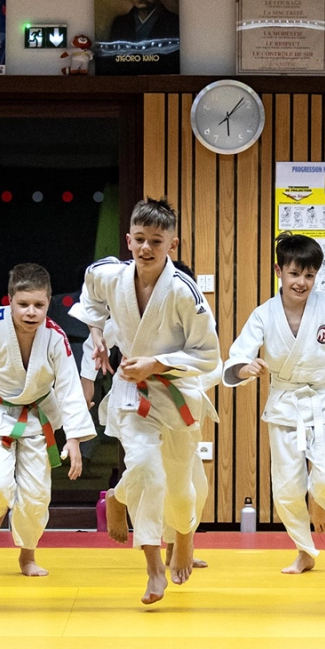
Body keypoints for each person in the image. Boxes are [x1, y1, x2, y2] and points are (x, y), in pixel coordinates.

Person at [70, 198, 220, 605]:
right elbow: (90, 293)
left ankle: (146, 513)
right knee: (146, 470)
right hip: (129, 392)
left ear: (173, 243)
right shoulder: (109, 275)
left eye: (156, 240)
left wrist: (157, 363)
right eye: (139, 239)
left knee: (182, 490)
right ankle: (154, 566)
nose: (146, 248)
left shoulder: (185, 292)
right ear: (128, 239)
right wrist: (98, 333)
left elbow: (210, 355)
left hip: (175, 395)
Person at [223, 234, 325, 574]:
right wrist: (246, 367)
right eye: (294, 274)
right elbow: (237, 355)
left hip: (324, 399)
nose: (301, 282)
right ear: (279, 270)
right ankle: (305, 550)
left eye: (309, 275)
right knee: (288, 489)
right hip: (284, 404)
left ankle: (321, 501)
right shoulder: (264, 314)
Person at [0, 264, 95, 577]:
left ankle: (27, 555)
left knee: (36, 495)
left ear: (48, 303)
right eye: (23, 304)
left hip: (37, 416)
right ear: (9, 300)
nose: (31, 312)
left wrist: (74, 438)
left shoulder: (55, 336)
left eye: (39, 305)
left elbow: (68, 386)